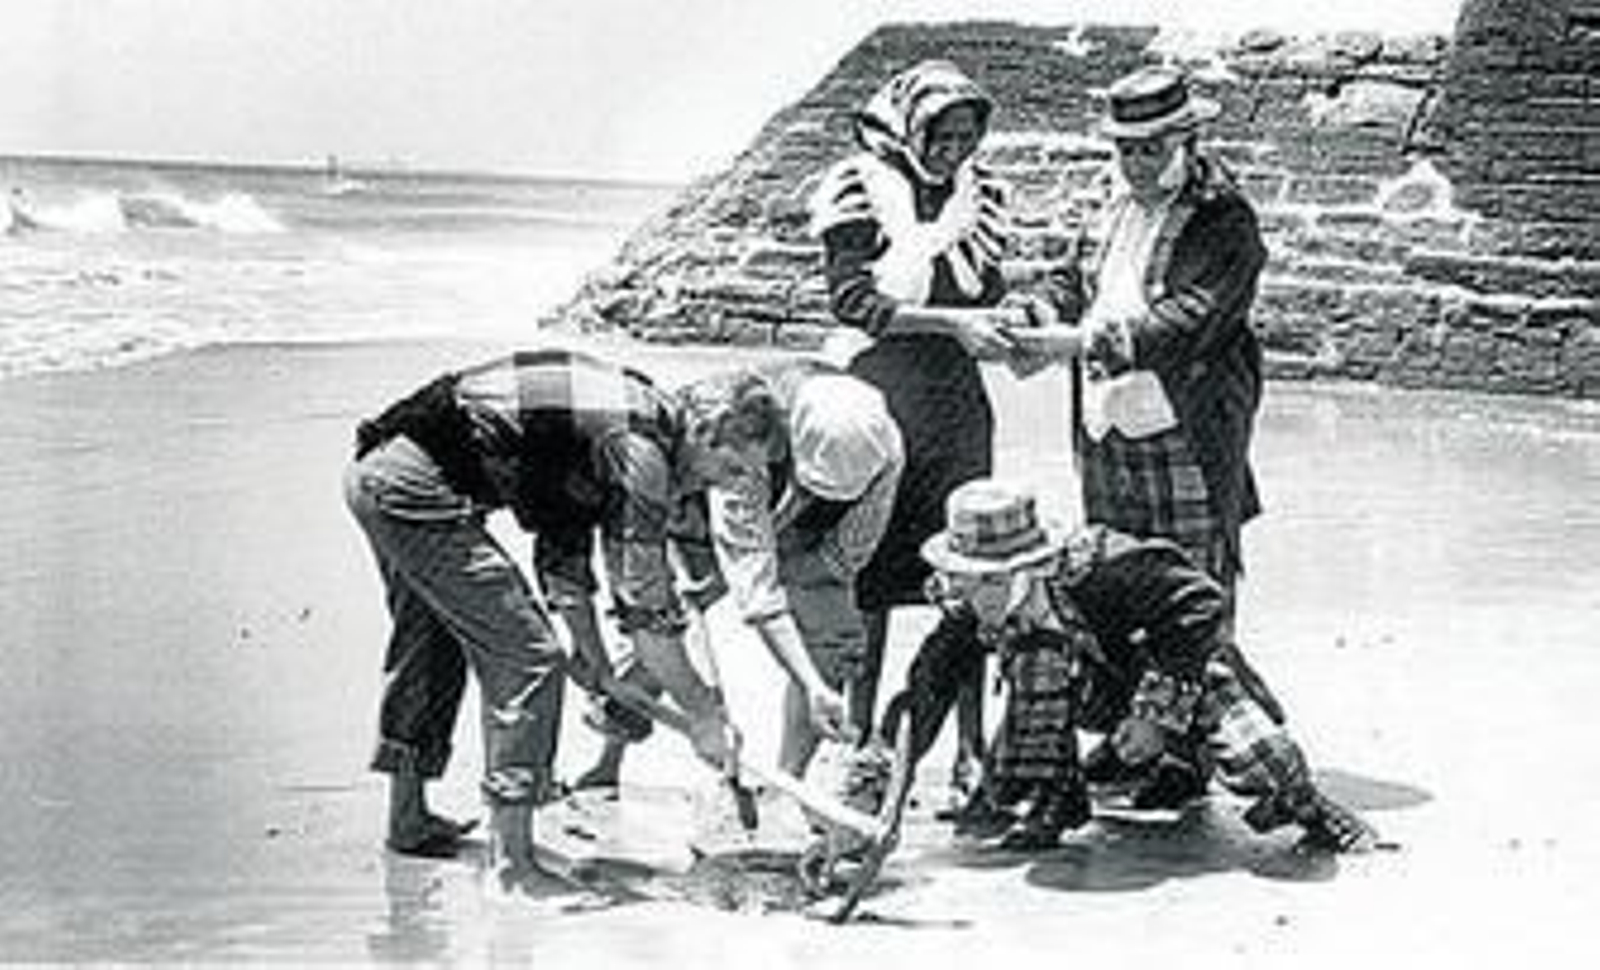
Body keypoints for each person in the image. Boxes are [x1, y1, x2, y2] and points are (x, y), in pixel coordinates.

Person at [344, 348, 775, 891]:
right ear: (707, 431)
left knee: (433, 637)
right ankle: (514, 867)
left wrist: (595, 663)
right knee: (528, 657)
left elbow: (563, 541)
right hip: (414, 486)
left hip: (381, 473)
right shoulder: (641, 452)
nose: (722, 486)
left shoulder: (632, 422)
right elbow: (646, 611)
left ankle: (408, 820)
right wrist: (703, 714)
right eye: (730, 468)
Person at [1010, 65, 1281, 808]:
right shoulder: (1109, 207)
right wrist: (1035, 314)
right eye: (1125, 149)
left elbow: (1192, 320)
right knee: (1118, 589)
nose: (1134, 163)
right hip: (1108, 435)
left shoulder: (1224, 219)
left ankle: (1186, 756)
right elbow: (1075, 283)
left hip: (1183, 437)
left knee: (1192, 592)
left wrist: (1075, 345)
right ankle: (1135, 736)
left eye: (1149, 148)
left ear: (1187, 139)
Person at [869, 477, 1375, 853]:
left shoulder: (1103, 565)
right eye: (968, 578)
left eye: (994, 579)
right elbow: (927, 690)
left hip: (1179, 678)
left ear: (1031, 564)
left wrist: (1156, 714)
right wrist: (885, 774)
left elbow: (1201, 603)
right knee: (1034, 662)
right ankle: (1056, 795)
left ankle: (1314, 811)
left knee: (1262, 759)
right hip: (1092, 689)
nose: (980, 595)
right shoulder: (967, 608)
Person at [808, 58, 1045, 811]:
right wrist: (955, 324)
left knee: (971, 575)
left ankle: (968, 749)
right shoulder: (857, 188)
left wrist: (1017, 324)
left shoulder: (981, 198)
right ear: (910, 128)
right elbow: (854, 302)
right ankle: (860, 739)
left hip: (954, 404)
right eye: (942, 136)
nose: (953, 151)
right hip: (881, 395)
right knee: (873, 576)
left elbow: (987, 293)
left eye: (967, 137)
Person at [575, 360, 903, 786]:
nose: (810, 496)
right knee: (666, 619)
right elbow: (754, 585)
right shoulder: (747, 435)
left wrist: (814, 684)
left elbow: (842, 558)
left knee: (833, 638)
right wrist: (705, 709)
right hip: (698, 491)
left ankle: (787, 782)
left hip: (808, 536)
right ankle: (611, 753)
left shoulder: (883, 453)